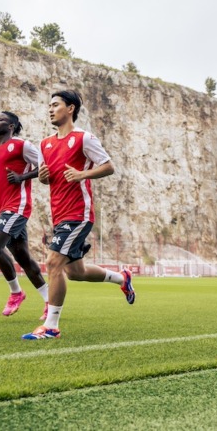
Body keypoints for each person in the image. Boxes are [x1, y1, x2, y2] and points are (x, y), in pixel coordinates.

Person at [22, 90, 134, 341]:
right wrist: (42, 177)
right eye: (49, 106)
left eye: (56, 105)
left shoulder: (84, 138)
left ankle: (51, 327)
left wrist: (83, 174)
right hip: (59, 214)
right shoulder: (44, 144)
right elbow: (45, 178)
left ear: (70, 108)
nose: (50, 109)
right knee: (75, 272)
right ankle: (122, 278)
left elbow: (108, 166)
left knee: (53, 263)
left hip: (79, 213)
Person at [0, 111, 49, 320]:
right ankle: (50, 301)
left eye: (1, 120)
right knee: (23, 258)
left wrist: (22, 176)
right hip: (3, 208)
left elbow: (46, 167)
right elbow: (2, 182)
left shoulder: (21, 145)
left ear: (11, 126)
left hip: (18, 206)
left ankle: (16, 293)